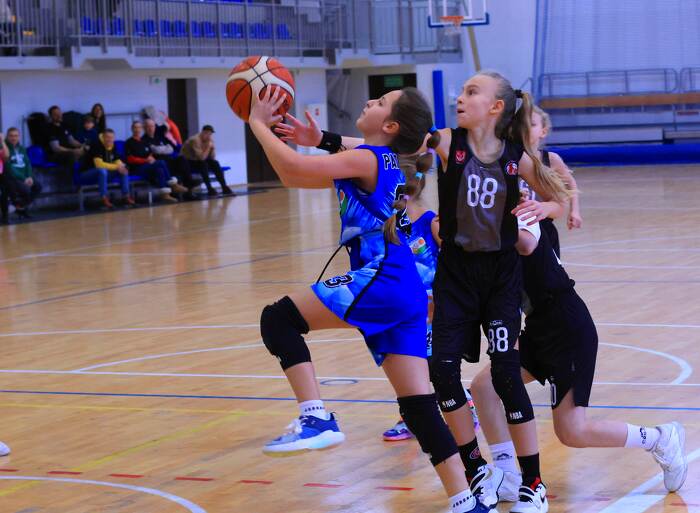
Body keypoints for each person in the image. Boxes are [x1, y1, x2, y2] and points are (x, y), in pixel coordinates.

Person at [250, 86, 488, 513]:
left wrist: (256, 124)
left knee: (278, 319)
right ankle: (465, 499)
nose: (368, 102)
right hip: (406, 288)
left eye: (379, 103)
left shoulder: (368, 158)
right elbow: (341, 149)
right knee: (418, 407)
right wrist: (318, 138)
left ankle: (315, 416)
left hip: (381, 277)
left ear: (391, 125)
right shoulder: (384, 156)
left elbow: (292, 170)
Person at [469, 216, 689, 506]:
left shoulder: (522, 217)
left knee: (572, 431)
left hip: (568, 329)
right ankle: (508, 476)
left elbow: (526, 242)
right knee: (484, 387)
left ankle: (659, 438)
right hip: (537, 328)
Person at [519, 105, 582, 257]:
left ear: (543, 131)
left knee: (550, 271)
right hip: (517, 227)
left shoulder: (551, 159)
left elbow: (570, 183)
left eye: (532, 124)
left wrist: (574, 211)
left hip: (544, 225)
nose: (526, 127)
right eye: (522, 123)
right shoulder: (509, 157)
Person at [125, 121, 185, 203]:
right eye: (135, 127)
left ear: (141, 129)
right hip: (137, 168)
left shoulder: (143, 141)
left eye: (139, 127)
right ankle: (172, 184)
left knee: (159, 169)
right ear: (132, 129)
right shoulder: (129, 142)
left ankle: (165, 195)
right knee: (161, 162)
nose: (137, 129)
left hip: (148, 166)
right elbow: (130, 159)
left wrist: (151, 158)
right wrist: (145, 160)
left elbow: (150, 153)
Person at [142, 118, 201, 198]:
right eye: (148, 126)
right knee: (166, 165)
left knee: (182, 159)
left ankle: (189, 187)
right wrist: (164, 148)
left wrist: (159, 149)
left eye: (152, 126)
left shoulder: (160, 137)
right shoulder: (143, 140)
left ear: (155, 127)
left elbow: (171, 148)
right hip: (160, 163)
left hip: (169, 161)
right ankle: (181, 190)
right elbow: (155, 150)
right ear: (144, 128)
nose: (150, 128)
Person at [79, 129, 133, 209]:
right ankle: (103, 198)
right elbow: (98, 165)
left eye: (111, 138)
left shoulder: (113, 145)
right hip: (86, 173)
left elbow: (116, 159)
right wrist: (117, 167)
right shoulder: (97, 145)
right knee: (102, 171)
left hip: (103, 174)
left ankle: (126, 196)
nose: (109, 139)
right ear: (103, 137)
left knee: (123, 170)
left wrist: (121, 166)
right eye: (107, 137)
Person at [180, 125, 233, 196]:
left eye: (210, 134)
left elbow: (212, 158)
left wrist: (212, 148)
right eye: (208, 134)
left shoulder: (209, 140)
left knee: (215, 163)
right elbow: (201, 158)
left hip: (198, 160)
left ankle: (224, 187)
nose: (209, 136)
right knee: (203, 164)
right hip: (187, 162)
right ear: (203, 132)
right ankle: (209, 188)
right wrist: (208, 147)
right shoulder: (195, 140)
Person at [5, 127, 41, 209]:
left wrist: (30, 176)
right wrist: (24, 178)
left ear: (19, 137)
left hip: (25, 176)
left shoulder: (22, 148)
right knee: (26, 190)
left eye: (16, 136)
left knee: (38, 187)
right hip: (14, 177)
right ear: (7, 137)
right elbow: (9, 167)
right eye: (11, 136)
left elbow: (27, 163)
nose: (13, 138)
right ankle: (18, 205)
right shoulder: (6, 149)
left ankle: (21, 205)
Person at [47, 106, 84, 170]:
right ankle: (70, 176)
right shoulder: (49, 128)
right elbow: (56, 148)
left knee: (87, 150)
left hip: (68, 151)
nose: (59, 115)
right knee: (71, 155)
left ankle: (85, 173)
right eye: (56, 114)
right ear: (51, 116)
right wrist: (73, 151)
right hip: (56, 154)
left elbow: (72, 141)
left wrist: (82, 145)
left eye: (60, 113)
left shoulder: (64, 125)